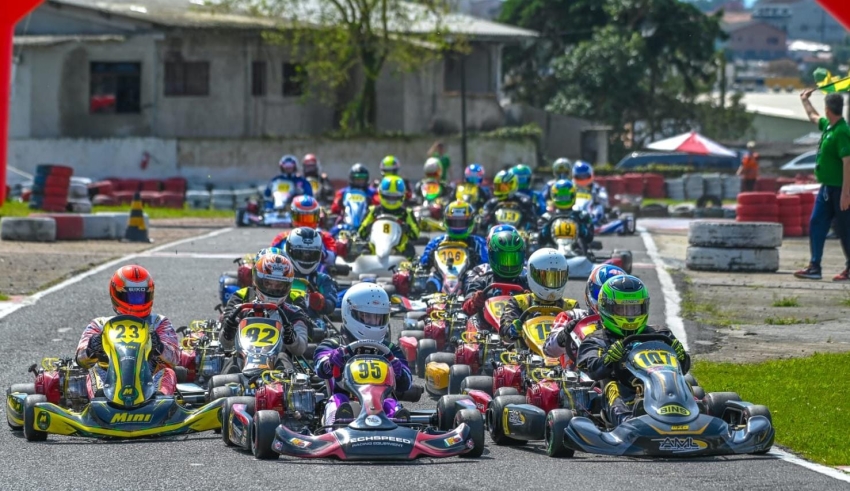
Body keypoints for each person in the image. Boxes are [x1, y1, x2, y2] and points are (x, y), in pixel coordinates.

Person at [573, 275, 689, 427]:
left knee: (684, 382)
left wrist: (681, 357)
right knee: (611, 386)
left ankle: (692, 414)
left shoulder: (661, 334)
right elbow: (591, 368)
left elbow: (682, 369)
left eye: (634, 309)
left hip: (661, 388)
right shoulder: (596, 339)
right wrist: (608, 359)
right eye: (622, 309)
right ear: (605, 307)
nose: (630, 316)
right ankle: (627, 423)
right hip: (623, 394)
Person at [314, 283, 413, 425]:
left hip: (380, 402)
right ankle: (337, 424)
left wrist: (400, 372)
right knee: (339, 399)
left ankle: (398, 421)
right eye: (367, 317)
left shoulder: (390, 349)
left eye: (378, 318)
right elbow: (319, 366)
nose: (373, 322)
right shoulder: (333, 344)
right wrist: (330, 362)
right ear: (350, 313)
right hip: (344, 401)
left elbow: (407, 383)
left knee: (390, 402)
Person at [76, 265, 179, 398]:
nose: (136, 301)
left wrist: (159, 347)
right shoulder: (100, 325)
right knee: (94, 371)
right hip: (111, 380)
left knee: (169, 372)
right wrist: (91, 349)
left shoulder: (159, 323)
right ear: (116, 294)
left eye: (141, 296)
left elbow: (175, 359)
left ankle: (160, 399)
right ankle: (100, 398)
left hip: (149, 380)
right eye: (131, 296)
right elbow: (80, 360)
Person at [796, 89, 850, 281]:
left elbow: (848, 162)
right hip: (827, 188)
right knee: (816, 222)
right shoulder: (829, 126)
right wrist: (805, 100)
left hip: (840, 190)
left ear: (827, 109)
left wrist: (846, 193)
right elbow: (813, 116)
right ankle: (815, 266)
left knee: (845, 229)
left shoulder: (842, 132)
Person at [219, 253, 309, 368]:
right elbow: (224, 344)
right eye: (268, 283)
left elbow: (301, 348)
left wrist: (291, 338)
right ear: (257, 280)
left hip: (277, 369)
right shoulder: (240, 309)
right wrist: (229, 332)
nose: (273, 289)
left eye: (279, 285)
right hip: (243, 364)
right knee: (233, 360)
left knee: (283, 357)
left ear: (287, 285)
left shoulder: (294, 313)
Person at [543, 263, 626, 361]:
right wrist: (564, 334)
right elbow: (549, 350)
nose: (607, 302)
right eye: (601, 294)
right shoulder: (572, 316)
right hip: (575, 369)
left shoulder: (628, 325)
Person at [499, 248, 579, 342]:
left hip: (560, 350)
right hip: (524, 350)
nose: (551, 284)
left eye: (557, 278)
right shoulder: (519, 302)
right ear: (531, 274)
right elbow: (504, 332)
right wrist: (512, 330)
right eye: (545, 278)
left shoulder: (571, 306)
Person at [418, 200, 488, 294]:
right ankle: (430, 294)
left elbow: (487, 266)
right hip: (443, 278)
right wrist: (430, 258)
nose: (458, 226)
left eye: (462, 223)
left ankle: (468, 293)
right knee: (432, 278)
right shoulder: (437, 242)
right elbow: (422, 264)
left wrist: (476, 260)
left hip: (468, 279)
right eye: (454, 222)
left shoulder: (478, 243)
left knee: (473, 280)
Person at [462, 227, 529, 323]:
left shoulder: (526, 283)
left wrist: (530, 299)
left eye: (513, 259)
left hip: (517, 328)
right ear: (492, 256)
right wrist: (475, 301)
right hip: (486, 328)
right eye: (504, 259)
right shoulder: (482, 281)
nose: (508, 265)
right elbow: (466, 308)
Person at [282, 227, 338, 319]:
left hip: (312, 322)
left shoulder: (322, 279)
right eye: (301, 253)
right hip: (280, 319)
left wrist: (321, 303)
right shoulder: (279, 276)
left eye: (311, 254)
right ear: (289, 251)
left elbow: (331, 304)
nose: (306, 258)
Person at [358, 175, 420, 256]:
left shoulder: (406, 213)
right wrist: (368, 227)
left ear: (402, 196)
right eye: (388, 197)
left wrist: (407, 228)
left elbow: (415, 235)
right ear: (381, 194)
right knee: (363, 250)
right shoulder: (373, 211)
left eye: (394, 197)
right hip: (374, 250)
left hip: (399, 251)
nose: (391, 201)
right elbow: (361, 233)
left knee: (410, 250)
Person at [538, 179, 595, 252]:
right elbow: (540, 240)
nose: (563, 200)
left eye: (566, 197)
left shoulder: (582, 216)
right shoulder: (547, 217)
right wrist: (547, 228)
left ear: (573, 196)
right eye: (561, 197)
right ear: (553, 197)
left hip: (577, 252)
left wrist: (581, 229)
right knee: (546, 246)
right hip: (552, 253)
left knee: (580, 241)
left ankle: (580, 252)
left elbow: (589, 238)